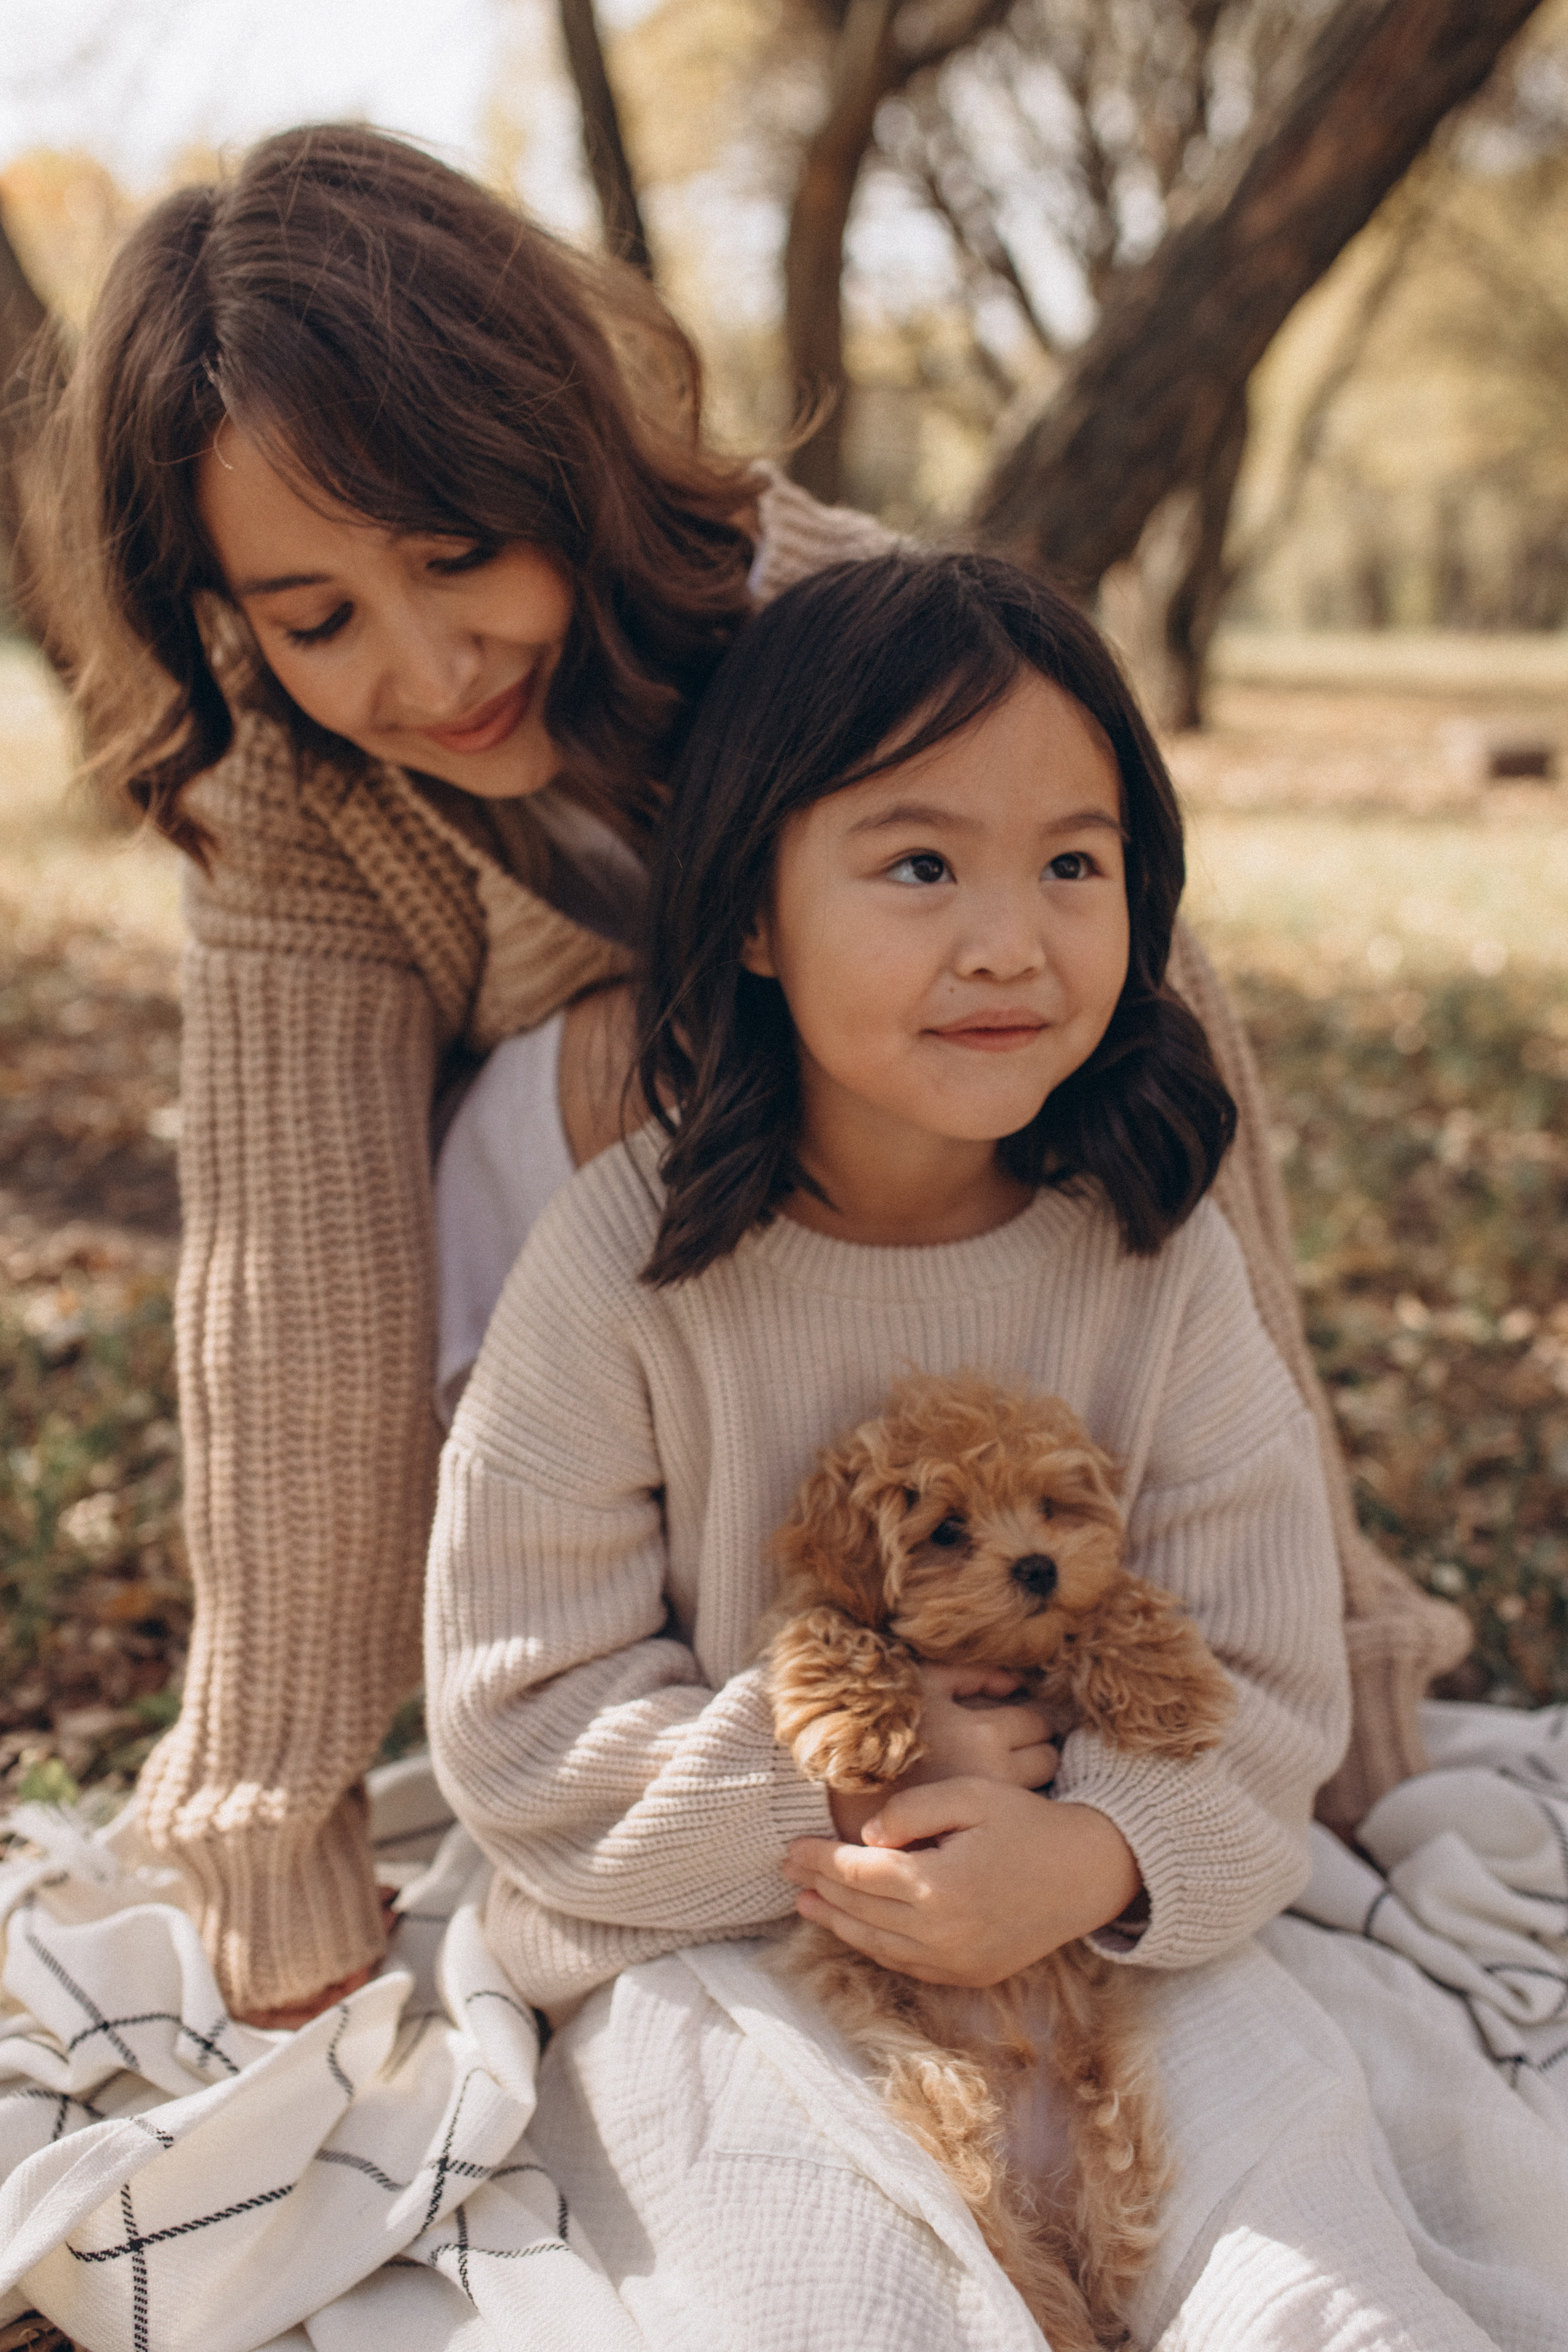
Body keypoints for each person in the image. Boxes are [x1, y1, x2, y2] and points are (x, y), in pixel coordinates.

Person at [22, 119, 1461, 2035]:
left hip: (967, 1297)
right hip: (597, 1333)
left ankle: (1011, 1669)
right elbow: (297, 1291)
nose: (428, 665)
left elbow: (1170, 1097)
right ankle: (705, 1702)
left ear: (560, 459)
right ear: (231, 615)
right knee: (631, 1054)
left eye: (459, 555)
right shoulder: (297, 785)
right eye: (317, 617)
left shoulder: (852, 627)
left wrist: (1350, 1675)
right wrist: (273, 1816)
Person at [423, 552, 1496, 2348]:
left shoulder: (1152, 1258)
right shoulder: (622, 1269)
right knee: (839, 2292)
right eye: (920, 865)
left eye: (1074, 865)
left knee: (1306, 2265)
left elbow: (1263, 1681)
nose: (1011, 940)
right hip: (735, 1935)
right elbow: (522, 1720)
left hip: (1110, 1923)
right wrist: (845, 1776)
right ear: (754, 913)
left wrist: (1094, 1857)